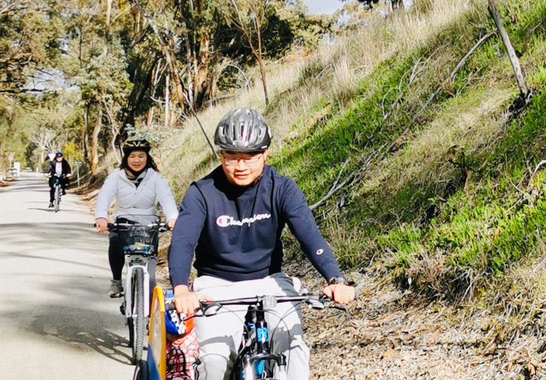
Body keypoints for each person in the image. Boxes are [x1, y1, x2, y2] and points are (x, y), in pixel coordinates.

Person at [168, 107, 356, 380]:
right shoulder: (202, 193)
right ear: (221, 155)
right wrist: (182, 289)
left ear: (265, 154)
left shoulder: (282, 188)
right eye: (231, 158)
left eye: (250, 157)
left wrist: (335, 278)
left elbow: (310, 237)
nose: (241, 166)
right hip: (217, 285)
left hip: (270, 281)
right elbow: (182, 242)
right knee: (213, 361)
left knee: (294, 349)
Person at [93, 137, 178, 297]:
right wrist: (101, 217)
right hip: (123, 220)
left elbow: (166, 198)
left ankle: (148, 297)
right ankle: (116, 282)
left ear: (147, 157)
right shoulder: (116, 176)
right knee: (115, 241)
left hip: (148, 222)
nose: (137, 160)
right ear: (126, 158)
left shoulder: (155, 177)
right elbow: (104, 196)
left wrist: (172, 217)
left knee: (150, 261)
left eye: (141, 156)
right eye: (132, 156)